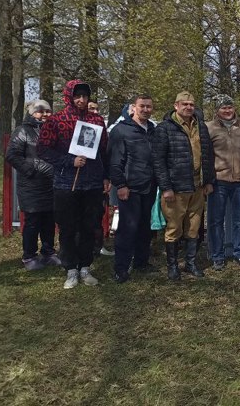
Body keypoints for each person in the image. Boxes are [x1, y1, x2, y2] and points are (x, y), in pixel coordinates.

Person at [38, 80, 110, 289]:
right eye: (77, 96)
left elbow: (103, 152)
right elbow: (43, 149)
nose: (81, 100)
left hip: (92, 183)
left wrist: (105, 175)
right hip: (66, 182)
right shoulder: (56, 120)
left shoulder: (96, 120)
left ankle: (85, 266)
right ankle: (70, 268)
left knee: (90, 226)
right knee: (68, 227)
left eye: (85, 96)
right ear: (69, 96)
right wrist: (69, 161)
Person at [151, 91, 216, 281]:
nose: (188, 107)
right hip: (176, 188)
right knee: (173, 228)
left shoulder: (201, 127)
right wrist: (166, 187)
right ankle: (172, 266)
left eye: (191, 104)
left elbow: (208, 155)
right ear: (176, 105)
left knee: (193, 227)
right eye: (184, 104)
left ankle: (190, 263)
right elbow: (158, 161)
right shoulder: (164, 129)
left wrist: (208, 181)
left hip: (197, 186)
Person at [107, 94, 158, 283]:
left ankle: (141, 262)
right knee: (127, 228)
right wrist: (120, 185)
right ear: (133, 107)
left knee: (145, 226)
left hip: (149, 186)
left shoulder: (152, 130)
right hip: (130, 187)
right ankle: (121, 268)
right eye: (142, 106)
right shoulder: (121, 130)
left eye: (149, 106)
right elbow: (114, 161)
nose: (145, 109)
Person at [6, 99, 59, 271]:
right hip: (31, 185)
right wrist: (33, 169)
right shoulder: (22, 131)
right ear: (32, 113)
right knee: (33, 221)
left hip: (51, 184)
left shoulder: (55, 131)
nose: (45, 114)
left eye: (48, 111)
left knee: (49, 221)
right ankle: (29, 256)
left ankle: (48, 252)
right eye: (40, 111)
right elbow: (12, 155)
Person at [205, 96, 240, 270]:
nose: (227, 111)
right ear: (217, 110)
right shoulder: (209, 128)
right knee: (216, 220)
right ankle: (217, 255)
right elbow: (205, 157)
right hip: (218, 181)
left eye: (230, 107)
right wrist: (207, 180)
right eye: (223, 108)